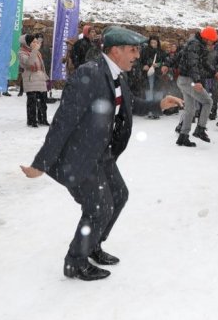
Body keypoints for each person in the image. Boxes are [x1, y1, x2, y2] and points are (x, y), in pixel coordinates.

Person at [21, 26, 183, 280]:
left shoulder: (117, 74)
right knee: (99, 207)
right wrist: (41, 163)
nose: (137, 55)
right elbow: (64, 121)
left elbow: (128, 105)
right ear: (115, 50)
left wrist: (159, 104)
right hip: (79, 155)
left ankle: (93, 244)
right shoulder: (90, 74)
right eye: (132, 50)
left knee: (119, 196)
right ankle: (75, 262)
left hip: (101, 153)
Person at [176, 26, 218, 147]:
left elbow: (202, 62)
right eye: (212, 40)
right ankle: (200, 129)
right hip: (190, 80)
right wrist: (197, 81)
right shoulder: (195, 45)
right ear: (207, 38)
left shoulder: (195, 44)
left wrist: (214, 72)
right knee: (208, 102)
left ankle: (183, 137)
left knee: (190, 110)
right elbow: (193, 64)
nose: (212, 42)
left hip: (183, 79)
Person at [18, 34, 49, 127]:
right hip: (30, 79)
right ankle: (32, 120)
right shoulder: (21, 52)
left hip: (40, 78)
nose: (36, 44)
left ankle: (43, 119)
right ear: (27, 43)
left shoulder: (37, 52)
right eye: (33, 42)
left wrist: (45, 76)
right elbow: (29, 63)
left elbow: (41, 66)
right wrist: (35, 50)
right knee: (32, 101)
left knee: (43, 101)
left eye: (36, 42)